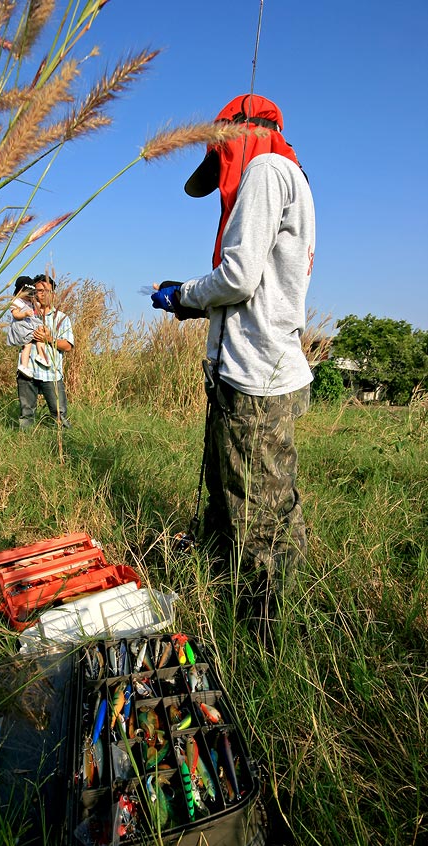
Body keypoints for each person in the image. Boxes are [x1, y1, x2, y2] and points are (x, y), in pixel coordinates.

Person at [151, 94, 315, 629]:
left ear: (237, 135)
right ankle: (231, 592)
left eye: (221, 153)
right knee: (246, 497)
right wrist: (194, 305)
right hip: (256, 362)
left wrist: (183, 295)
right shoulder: (293, 176)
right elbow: (258, 290)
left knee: (255, 513)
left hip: (255, 374)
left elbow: (240, 277)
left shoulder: (266, 170)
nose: (221, 175)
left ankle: (260, 630)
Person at [10, 274, 74, 429]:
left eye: (47, 291)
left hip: (51, 373)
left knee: (60, 414)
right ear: (32, 292)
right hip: (27, 372)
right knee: (26, 414)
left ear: (53, 294)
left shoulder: (61, 318)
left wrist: (49, 339)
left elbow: (68, 346)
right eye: (39, 290)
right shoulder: (24, 313)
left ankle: (65, 445)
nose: (43, 294)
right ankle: (25, 444)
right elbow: (15, 337)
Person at [8, 276, 51, 373]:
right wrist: (25, 314)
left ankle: (41, 356)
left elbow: (35, 309)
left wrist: (37, 306)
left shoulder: (29, 301)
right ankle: (24, 365)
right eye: (27, 294)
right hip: (22, 326)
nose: (29, 296)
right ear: (19, 291)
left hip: (29, 324)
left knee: (40, 334)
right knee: (27, 345)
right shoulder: (16, 301)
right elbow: (15, 314)